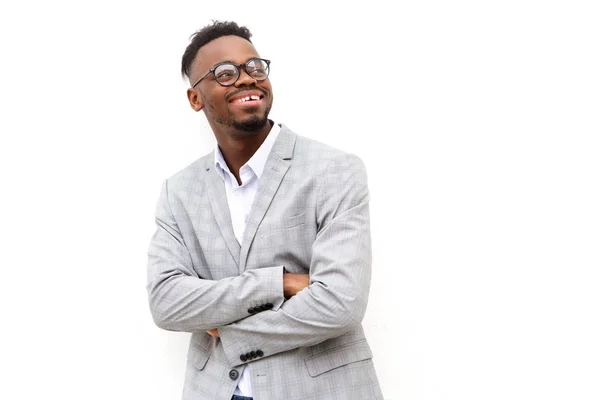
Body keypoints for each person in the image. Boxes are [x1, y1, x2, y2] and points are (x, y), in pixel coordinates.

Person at [147, 20, 384, 400]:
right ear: (195, 98)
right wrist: (280, 283)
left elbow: (341, 302)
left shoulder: (333, 170)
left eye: (254, 67)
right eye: (224, 73)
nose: (245, 79)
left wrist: (228, 332)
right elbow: (167, 302)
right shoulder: (179, 191)